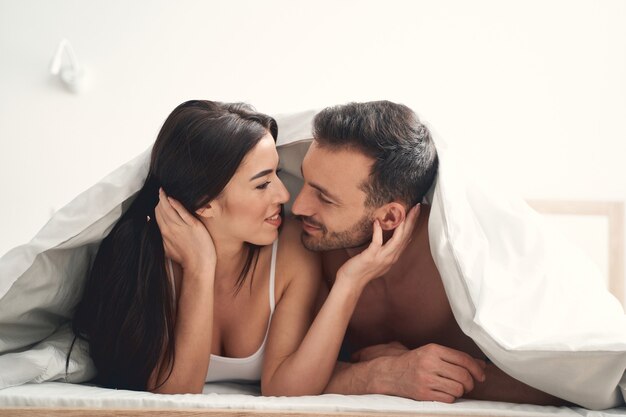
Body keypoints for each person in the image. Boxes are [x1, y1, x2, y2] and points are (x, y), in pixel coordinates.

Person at [70, 100, 418, 395]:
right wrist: (199, 270)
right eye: (263, 183)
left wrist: (350, 282)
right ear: (205, 203)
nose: (285, 197)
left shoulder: (291, 252)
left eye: (278, 175)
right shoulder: (145, 256)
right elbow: (176, 394)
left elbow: (287, 389)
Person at [291, 100, 566, 405]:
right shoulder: (306, 244)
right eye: (304, 180)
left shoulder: (467, 254)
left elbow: (568, 379)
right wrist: (380, 374)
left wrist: (440, 378)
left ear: (390, 217)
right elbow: (281, 375)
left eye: (325, 198)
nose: (297, 206)